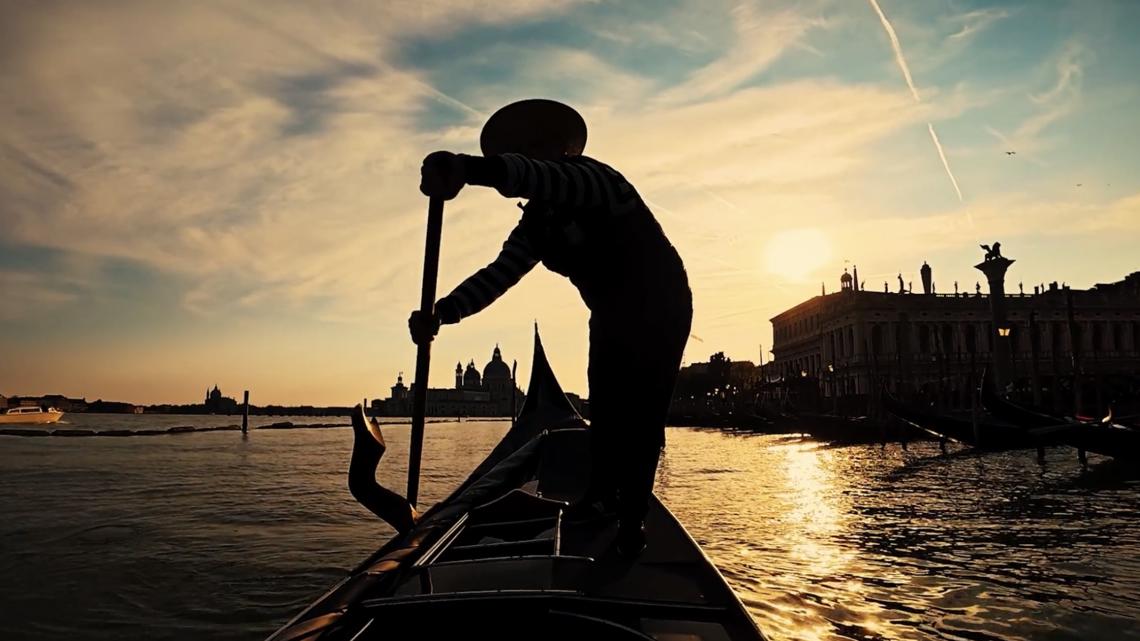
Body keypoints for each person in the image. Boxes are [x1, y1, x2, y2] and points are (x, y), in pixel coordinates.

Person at [411, 99, 692, 556]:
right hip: (609, 311)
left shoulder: (595, 177)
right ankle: (602, 494)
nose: (529, 156)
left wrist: (465, 169)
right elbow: (497, 275)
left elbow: (538, 177)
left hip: (661, 301)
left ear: (561, 149)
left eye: (535, 147)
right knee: (604, 399)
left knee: (640, 411)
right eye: (522, 149)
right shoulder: (536, 224)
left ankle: (632, 517)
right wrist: (442, 313)